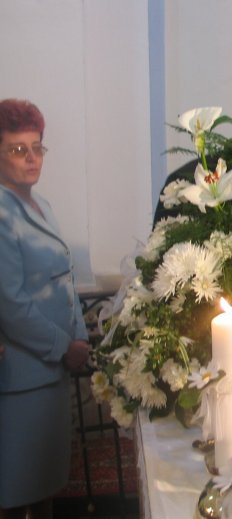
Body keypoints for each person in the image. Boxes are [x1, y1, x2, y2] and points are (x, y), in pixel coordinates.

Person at [0, 99, 90, 519]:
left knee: (45, 487)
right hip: (23, 377)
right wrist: (63, 347)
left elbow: (64, 278)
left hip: (52, 372)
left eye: (37, 147)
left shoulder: (41, 205)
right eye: (18, 149)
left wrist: (81, 336)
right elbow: (11, 305)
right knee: (16, 493)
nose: (32, 158)